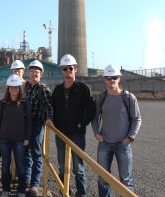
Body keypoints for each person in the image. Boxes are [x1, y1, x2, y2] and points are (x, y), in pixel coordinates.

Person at [92, 64, 142, 197]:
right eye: (108, 77)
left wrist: (130, 138)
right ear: (104, 80)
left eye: (114, 77)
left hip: (123, 144)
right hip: (105, 143)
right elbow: (95, 118)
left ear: (119, 79)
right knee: (103, 178)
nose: (111, 80)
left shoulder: (129, 98)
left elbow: (137, 119)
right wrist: (97, 133)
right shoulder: (100, 98)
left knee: (126, 180)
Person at [51, 54, 95, 197]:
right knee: (63, 166)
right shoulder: (57, 90)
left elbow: (90, 109)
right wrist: (52, 122)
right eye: (64, 68)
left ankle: (81, 194)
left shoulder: (83, 89)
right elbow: (52, 108)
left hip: (77, 134)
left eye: (70, 68)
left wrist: (81, 123)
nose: (67, 71)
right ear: (62, 70)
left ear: (75, 69)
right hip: (61, 134)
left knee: (78, 167)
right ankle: (65, 192)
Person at [0, 74, 32, 197]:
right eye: (11, 87)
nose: (14, 89)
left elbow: (29, 122)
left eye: (16, 87)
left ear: (19, 88)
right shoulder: (3, 103)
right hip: (4, 138)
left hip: (20, 139)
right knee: (5, 164)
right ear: (8, 88)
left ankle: (21, 191)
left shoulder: (25, 103)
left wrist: (27, 137)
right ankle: (6, 189)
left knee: (20, 164)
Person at [24, 60, 53, 197]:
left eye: (37, 71)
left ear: (41, 74)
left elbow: (49, 106)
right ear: (28, 73)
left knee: (36, 153)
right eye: (32, 71)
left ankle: (35, 185)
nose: (34, 73)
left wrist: (49, 119)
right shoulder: (28, 87)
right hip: (26, 124)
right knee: (26, 153)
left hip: (37, 124)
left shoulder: (44, 89)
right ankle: (27, 180)